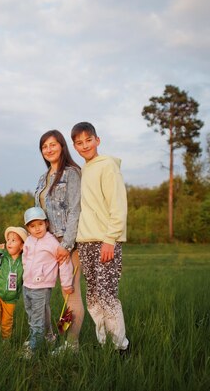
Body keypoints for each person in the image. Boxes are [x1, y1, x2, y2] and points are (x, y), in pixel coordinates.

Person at [71, 122, 130, 352]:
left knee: (107, 296)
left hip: (105, 241)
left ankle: (121, 347)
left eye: (88, 140)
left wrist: (110, 239)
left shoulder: (107, 166)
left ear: (98, 140)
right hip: (85, 242)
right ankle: (104, 342)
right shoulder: (84, 170)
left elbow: (118, 205)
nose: (85, 145)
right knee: (93, 296)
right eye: (79, 142)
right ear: (74, 146)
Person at [34, 129, 85, 353]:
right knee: (39, 291)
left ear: (62, 146)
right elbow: (38, 216)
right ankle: (48, 336)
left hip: (67, 241)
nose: (49, 149)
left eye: (53, 144)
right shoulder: (42, 179)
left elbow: (76, 210)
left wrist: (66, 245)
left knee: (70, 293)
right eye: (45, 146)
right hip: (47, 243)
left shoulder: (72, 173)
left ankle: (71, 345)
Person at [22, 206, 74, 358]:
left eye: (40, 224)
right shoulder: (29, 241)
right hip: (27, 284)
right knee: (32, 313)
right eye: (32, 226)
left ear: (46, 224)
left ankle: (33, 347)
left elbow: (64, 262)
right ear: (28, 228)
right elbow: (25, 260)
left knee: (37, 318)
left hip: (42, 285)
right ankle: (48, 337)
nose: (37, 229)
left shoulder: (51, 242)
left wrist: (66, 283)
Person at [0, 226, 28, 340]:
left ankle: (6, 340)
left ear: (22, 246)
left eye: (13, 240)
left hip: (11, 297)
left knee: (7, 320)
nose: (9, 242)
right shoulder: (3, 256)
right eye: (8, 240)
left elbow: (27, 277)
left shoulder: (24, 262)